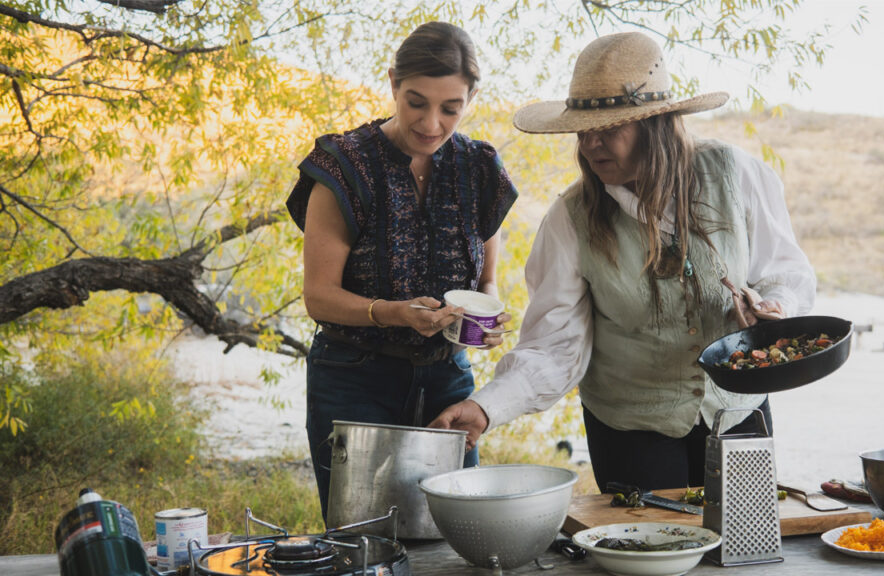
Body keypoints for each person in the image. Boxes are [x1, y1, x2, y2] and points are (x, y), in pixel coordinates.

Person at [430, 32, 815, 491]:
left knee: (743, 554)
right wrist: (487, 407)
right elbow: (554, 346)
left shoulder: (738, 175)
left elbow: (785, 274)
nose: (591, 145)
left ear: (655, 125)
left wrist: (775, 310)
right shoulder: (570, 220)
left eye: (609, 129)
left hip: (738, 415)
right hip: (632, 435)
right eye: (583, 131)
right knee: (649, 554)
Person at [285, 21, 518, 522]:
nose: (431, 122)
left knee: (456, 531)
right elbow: (318, 297)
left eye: (450, 108)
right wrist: (395, 313)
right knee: (362, 538)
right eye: (416, 101)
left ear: (470, 99)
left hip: (449, 379)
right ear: (393, 83)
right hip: (353, 378)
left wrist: (483, 326)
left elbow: (486, 284)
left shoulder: (480, 169)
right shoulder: (345, 165)